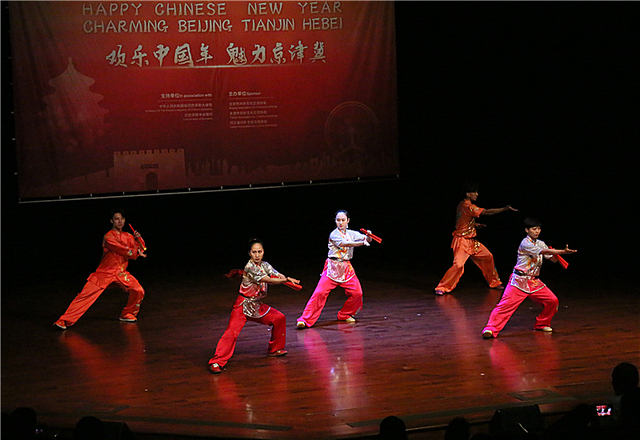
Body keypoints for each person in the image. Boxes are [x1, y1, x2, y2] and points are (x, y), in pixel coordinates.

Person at [208, 238, 300, 374]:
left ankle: (275, 349)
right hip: (243, 305)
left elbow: (275, 274)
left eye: (260, 252)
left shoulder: (265, 265)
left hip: (257, 305)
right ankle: (217, 361)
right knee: (231, 333)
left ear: (263, 253)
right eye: (254, 252)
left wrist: (287, 278)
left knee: (279, 318)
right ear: (249, 253)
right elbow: (268, 279)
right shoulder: (249, 267)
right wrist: (284, 280)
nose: (257, 255)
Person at [481, 218, 576, 338]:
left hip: (534, 282)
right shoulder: (525, 243)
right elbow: (543, 251)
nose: (537, 231)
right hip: (519, 281)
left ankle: (542, 323)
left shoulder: (540, 243)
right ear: (527, 230)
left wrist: (556, 255)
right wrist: (562, 251)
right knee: (505, 306)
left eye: (538, 229)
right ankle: (490, 329)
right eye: (534, 229)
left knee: (552, 301)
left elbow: (550, 257)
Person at [54, 208, 146, 330]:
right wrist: (136, 251)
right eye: (117, 219)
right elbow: (124, 250)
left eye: (122, 219)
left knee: (138, 290)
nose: (120, 221)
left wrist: (138, 239)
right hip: (105, 273)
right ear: (112, 221)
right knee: (85, 295)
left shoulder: (128, 236)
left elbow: (142, 249)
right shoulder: (108, 237)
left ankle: (127, 314)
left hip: (121, 273)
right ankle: (64, 321)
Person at [435, 185, 517, 295]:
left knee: (488, 256)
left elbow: (461, 220)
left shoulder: (462, 205)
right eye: (474, 192)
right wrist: (504, 209)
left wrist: (475, 225)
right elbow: (487, 212)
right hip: (462, 241)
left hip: (472, 242)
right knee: (458, 265)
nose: (477, 194)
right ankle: (442, 287)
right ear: (468, 194)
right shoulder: (467, 206)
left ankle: (494, 282)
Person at [296, 210, 372, 328]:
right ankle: (304, 319)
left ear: (348, 221)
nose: (340, 222)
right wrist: (363, 242)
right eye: (338, 220)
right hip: (333, 267)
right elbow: (345, 244)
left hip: (346, 268)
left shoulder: (352, 233)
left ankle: (345, 314)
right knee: (320, 292)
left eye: (343, 220)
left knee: (357, 293)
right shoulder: (334, 234)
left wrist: (368, 236)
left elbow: (365, 239)